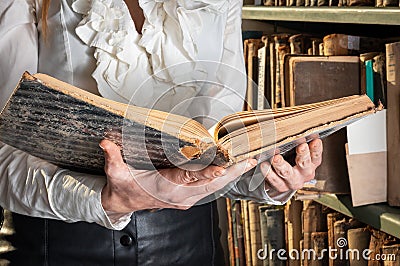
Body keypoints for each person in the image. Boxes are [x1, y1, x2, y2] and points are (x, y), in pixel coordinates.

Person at [0, 0, 323, 265]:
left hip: (190, 246)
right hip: (55, 246)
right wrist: (104, 200)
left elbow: (215, 142)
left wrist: (267, 180)